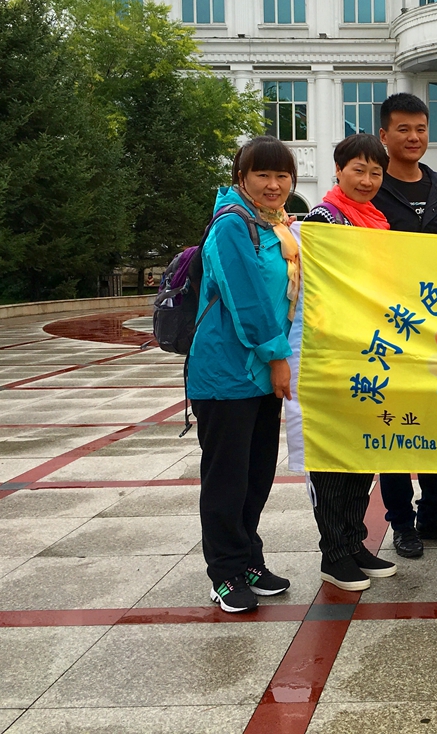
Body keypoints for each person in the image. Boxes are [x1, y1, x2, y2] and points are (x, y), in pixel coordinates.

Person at [187, 136, 299, 613]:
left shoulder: (274, 226)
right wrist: (278, 357)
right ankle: (225, 572)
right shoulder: (233, 225)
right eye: (262, 175)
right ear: (242, 178)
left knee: (254, 474)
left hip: (255, 373)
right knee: (226, 476)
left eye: (282, 176)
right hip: (227, 371)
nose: (274, 185)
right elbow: (247, 300)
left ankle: (248, 558)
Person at [287, 134, 399, 591]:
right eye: (359, 170)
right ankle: (333, 553)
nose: (368, 180)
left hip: (365, 351)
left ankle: (354, 543)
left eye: (376, 172)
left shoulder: (375, 220)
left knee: (359, 450)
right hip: (328, 353)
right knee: (331, 452)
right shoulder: (321, 221)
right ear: (338, 170)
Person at [370, 92, 437, 558]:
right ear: (383, 135)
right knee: (395, 423)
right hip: (386, 329)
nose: (414, 138)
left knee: (435, 421)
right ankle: (401, 521)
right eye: (404, 129)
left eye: (421, 129)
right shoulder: (371, 189)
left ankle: (433, 512)